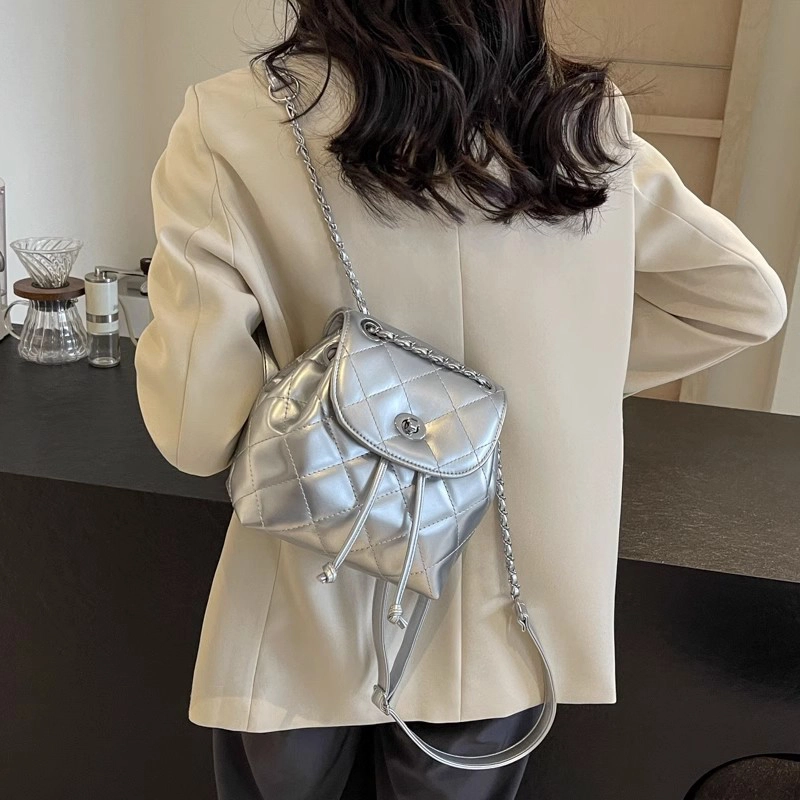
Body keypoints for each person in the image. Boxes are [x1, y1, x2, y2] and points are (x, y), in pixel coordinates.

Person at [135, 2, 788, 798]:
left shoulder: (233, 121)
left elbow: (194, 433)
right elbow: (744, 300)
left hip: (313, 584)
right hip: (506, 609)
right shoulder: (578, 123)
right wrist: (556, 377)